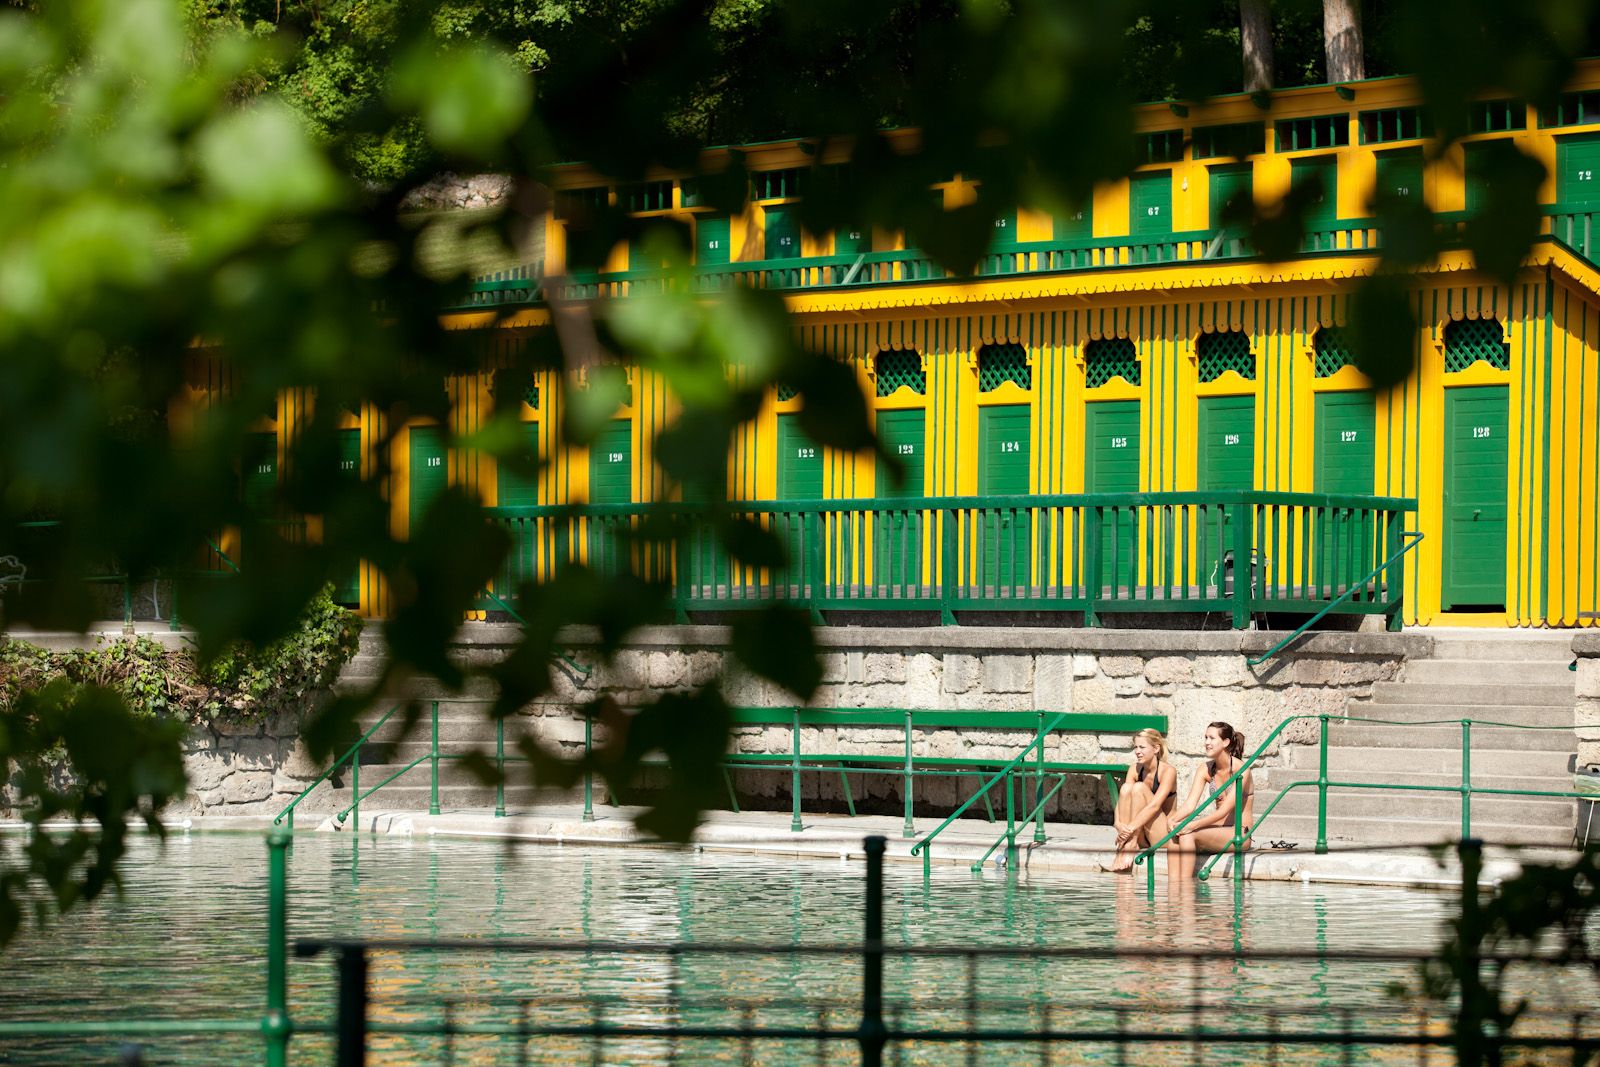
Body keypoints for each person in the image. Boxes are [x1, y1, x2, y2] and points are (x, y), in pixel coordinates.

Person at [1167, 721, 1254, 880]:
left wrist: (1191, 825)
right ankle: (1173, 889)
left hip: (1239, 832)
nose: (1207, 742)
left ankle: (1186, 890)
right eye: (1205, 737)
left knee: (1187, 834)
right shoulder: (1205, 769)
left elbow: (1223, 811)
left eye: (1212, 738)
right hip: (1216, 830)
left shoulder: (1241, 770)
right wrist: (1173, 819)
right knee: (1175, 832)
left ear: (1226, 742)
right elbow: (1190, 804)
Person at [1106, 728, 1177, 873]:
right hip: (1140, 833)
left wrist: (1130, 829)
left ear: (1156, 748)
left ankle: (1130, 845)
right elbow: (1123, 800)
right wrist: (1118, 824)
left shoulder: (1168, 771)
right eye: (1135, 747)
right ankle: (1128, 845)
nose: (1137, 751)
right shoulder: (1134, 769)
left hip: (1163, 834)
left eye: (1142, 747)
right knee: (1126, 788)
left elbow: (1155, 806)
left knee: (1138, 788)